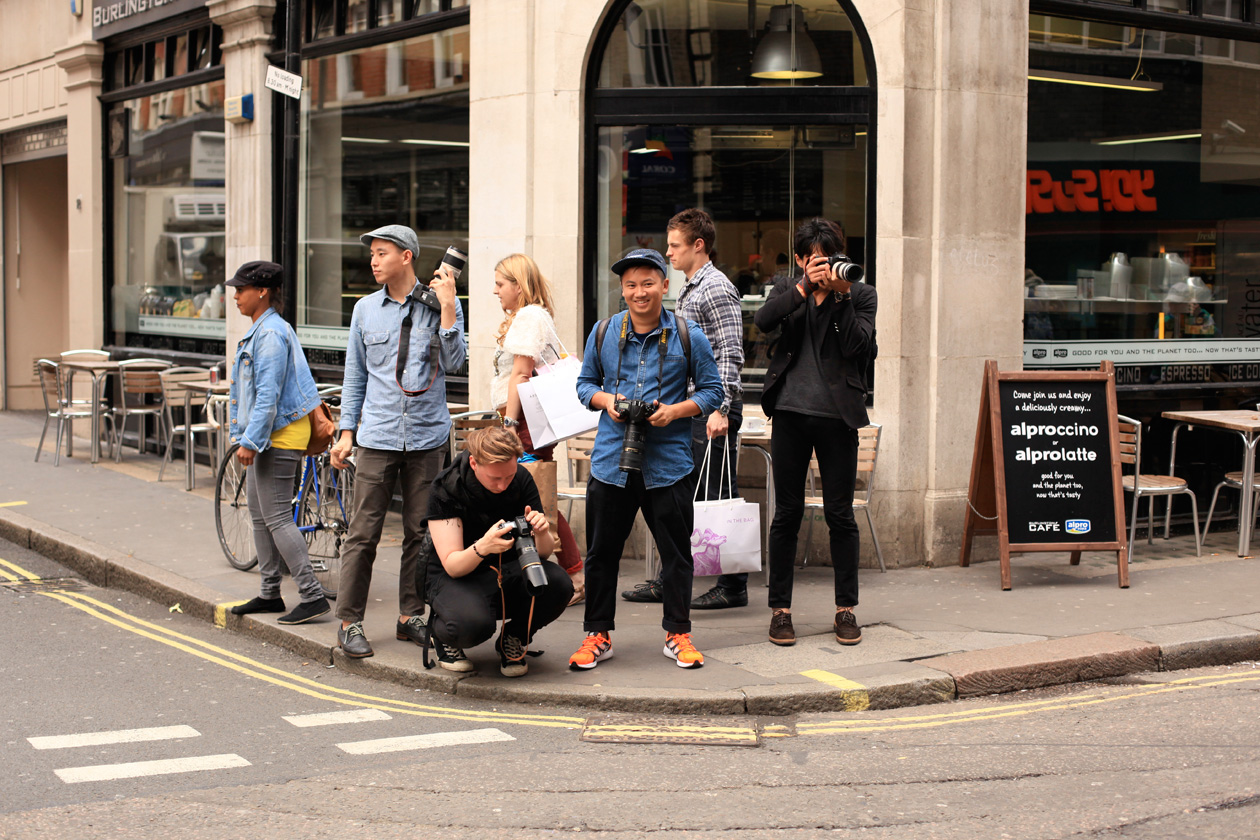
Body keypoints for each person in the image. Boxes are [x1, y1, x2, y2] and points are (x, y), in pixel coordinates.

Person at [570, 248, 724, 671]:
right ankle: (597, 634)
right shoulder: (603, 332)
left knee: (677, 554)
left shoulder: (689, 335)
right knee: (601, 554)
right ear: (622, 290)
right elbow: (584, 386)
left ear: (664, 286)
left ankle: (678, 634)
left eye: (648, 283)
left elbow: (713, 391)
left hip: (669, 462)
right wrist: (609, 402)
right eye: (631, 285)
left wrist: (674, 411)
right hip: (610, 462)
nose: (640, 292)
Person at [331, 225, 466, 659]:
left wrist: (448, 310)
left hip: (427, 437)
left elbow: (456, 364)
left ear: (406, 257)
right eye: (372, 253)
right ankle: (350, 621)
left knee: (419, 532)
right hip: (377, 436)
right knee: (363, 532)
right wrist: (346, 431)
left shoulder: (441, 304)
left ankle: (410, 615)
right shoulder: (365, 310)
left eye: (381, 252)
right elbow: (354, 376)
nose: (373, 260)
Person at [754, 218, 877, 648]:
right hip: (789, 413)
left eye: (829, 256)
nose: (822, 265)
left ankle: (846, 609)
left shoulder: (859, 292)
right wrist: (805, 289)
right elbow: (763, 321)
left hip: (837, 418)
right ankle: (780, 612)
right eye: (813, 257)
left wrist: (839, 299)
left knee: (839, 515)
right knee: (786, 515)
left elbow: (860, 348)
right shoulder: (788, 289)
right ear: (803, 258)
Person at [622, 209, 747, 610]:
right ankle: (668, 577)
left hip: (710, 410)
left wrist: (721, 409)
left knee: (714, 495)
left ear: (698, 245)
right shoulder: (692, 286)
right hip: (690, 409)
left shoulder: (715, 288)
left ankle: (732, 585)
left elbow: (730, 353)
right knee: (676, 497)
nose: (668, 252)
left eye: (675, 245)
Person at [225, 261, 330, 626]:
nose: (235, 296)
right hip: (272, 433)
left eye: (241, 289)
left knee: (277, 518)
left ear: (263, 291)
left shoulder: (269, 333)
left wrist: (251, 441)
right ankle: (270, 592)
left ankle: (312, 595)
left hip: (277, 435)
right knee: (259, 514)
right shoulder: (265, 329)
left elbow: (267, 396)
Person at [425, 427, 573, 676]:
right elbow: (453, 565)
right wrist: (483, 546)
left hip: (507, 568)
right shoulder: (447, 487)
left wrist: (542, 532)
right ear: (474, 462)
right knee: (473, 626)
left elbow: (544, 555)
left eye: (509, 476)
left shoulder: (522, 479)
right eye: (495, 478)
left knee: (559, 584)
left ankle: (512, 637)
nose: (503, 485)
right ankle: (445, 636)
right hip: (458, 575)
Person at [489, 254, 584, 605]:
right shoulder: (527, 316)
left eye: (501, 283)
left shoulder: (529, 316)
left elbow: (521, 375)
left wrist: (509, 425)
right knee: (534, 499)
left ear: (519, 284)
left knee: (538, 500)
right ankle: (567, 574)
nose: (495, 290)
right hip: (523, 421)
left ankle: (574, 576)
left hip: (524, 422)